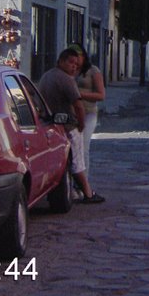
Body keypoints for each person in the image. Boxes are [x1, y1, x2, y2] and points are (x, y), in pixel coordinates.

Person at [37, 48, 104, 204]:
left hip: (50, 125)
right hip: (68, 126)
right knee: (77, 161)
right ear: (61, 61)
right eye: (70, 62)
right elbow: (79, 106)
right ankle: (88, 193)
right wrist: (80, 124)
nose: (74, 66)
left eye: (76, 63)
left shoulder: (46, 76)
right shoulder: (66, 80)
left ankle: (69, 191)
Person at [74, 45, 105, 176]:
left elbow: (101, 95)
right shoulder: (70, 70)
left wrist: (79, 94)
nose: (75, 60)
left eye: (77, 57)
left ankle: (83, 180)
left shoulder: (93, 71)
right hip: (71, 112)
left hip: (88, 112)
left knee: (83, 147)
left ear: (84, 56)